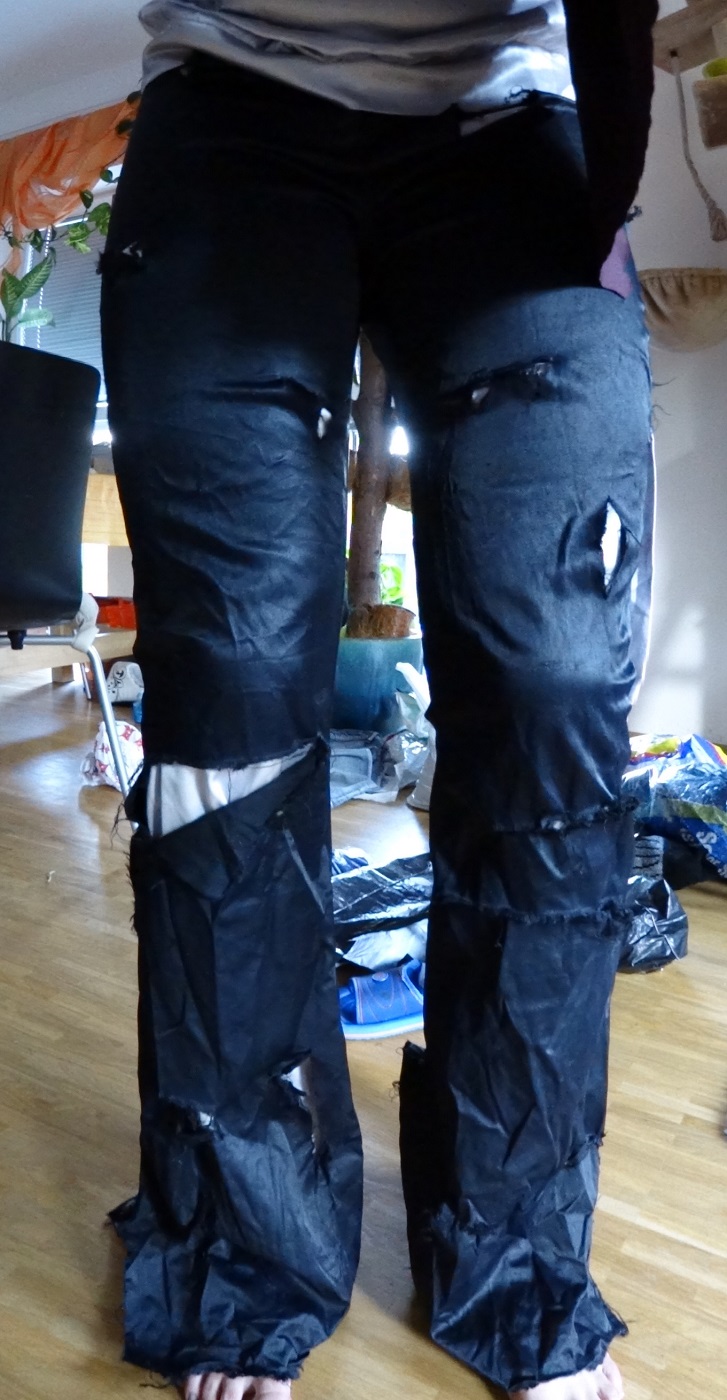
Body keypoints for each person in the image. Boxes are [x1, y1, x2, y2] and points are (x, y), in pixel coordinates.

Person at [100, 4, 659, 1399]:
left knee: (554, 684)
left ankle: (516, 1254)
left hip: (515, 120)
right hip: (233, 103)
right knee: (226, 686)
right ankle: (243, 1244)